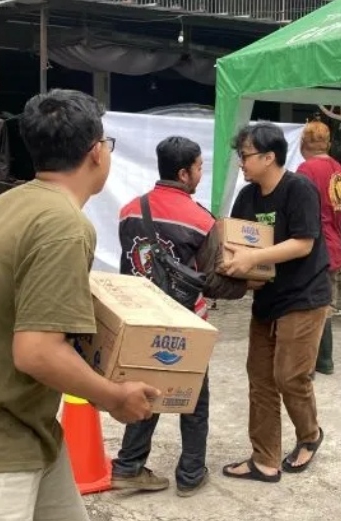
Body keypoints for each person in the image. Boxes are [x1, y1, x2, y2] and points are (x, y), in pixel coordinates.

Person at [0, 89, 160, 521]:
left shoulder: (9, 202)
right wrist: (115, 397)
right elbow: (37, 350)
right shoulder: (65, 225)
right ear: (96, 153)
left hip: (29, 437)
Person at [113, 136, 245, 497]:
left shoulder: (129, 210)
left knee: (145, 392)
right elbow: (214, 279)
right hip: (186, 323)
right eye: (200, 167)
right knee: (194, 398)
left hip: (138, 320)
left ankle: (129, 465)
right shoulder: (203, 221)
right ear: (184, 173)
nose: (201, 173)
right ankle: (190, 474)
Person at [219, 122, 330, 483]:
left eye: (245, 156)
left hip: (304, 295)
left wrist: (253, 259)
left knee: (289, 376)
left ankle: (310, 435)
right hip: (267, 296)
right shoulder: (247, 197)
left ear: (269, 157)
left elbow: (304, 242)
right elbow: (237, 242)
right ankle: (265, 458)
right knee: (261, 379)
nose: (241, 163)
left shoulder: (299, 189)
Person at [296, 120, 341, 376]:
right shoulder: (340, 171)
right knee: (326, 304)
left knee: (308, 307)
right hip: (335, 247)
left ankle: (308, 365)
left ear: (303, 143)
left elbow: (299, 212)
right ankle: (325, 359)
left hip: (313, 248)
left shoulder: (306, 170)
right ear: (328, 144)